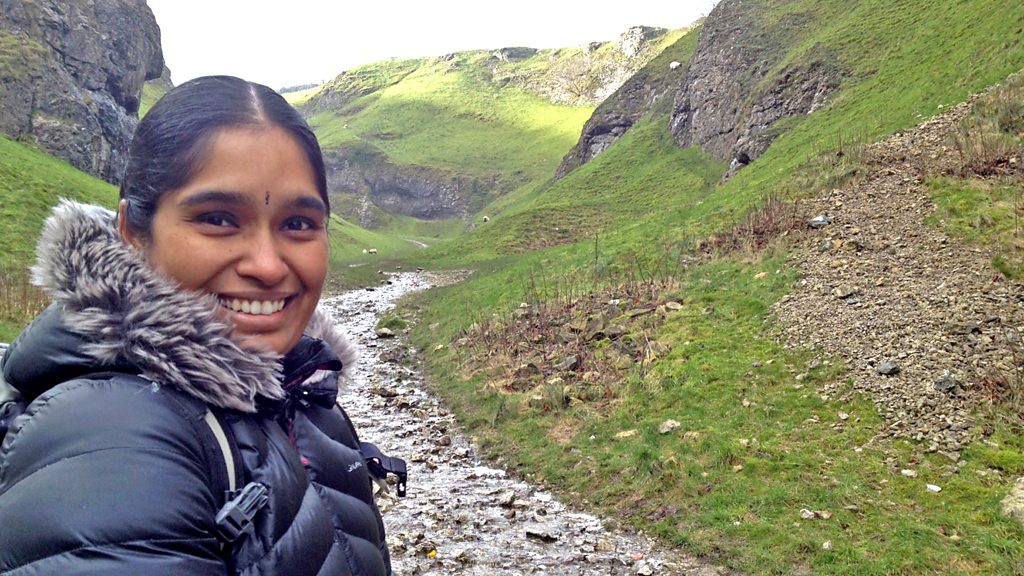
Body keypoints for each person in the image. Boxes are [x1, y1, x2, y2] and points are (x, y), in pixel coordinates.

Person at [0, 75, 394, 575]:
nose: (267, 265)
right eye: (218, 219)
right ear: (132, 231)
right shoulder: (111, 436)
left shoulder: (302, 385)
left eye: (298, 224)